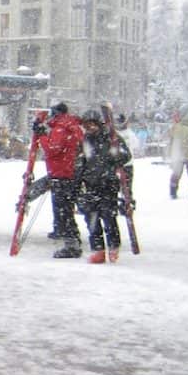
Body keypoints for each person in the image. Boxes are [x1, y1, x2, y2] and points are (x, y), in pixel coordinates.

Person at [75, 109, 132, 263]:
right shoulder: (86, 140)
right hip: (91, 184)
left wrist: (113, 159)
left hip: (108, 183)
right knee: (91, 217)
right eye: (87, 125)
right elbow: (81, 160)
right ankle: (98, 250)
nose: (90, 128)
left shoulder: (112, 137)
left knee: (108, 217)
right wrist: (79, 179)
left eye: (92, 124)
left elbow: (125, 156)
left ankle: (113, 247)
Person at [34, 102, 85, 259]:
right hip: (69, 171)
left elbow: (52, 149)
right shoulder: (72, 126)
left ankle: (71, 244)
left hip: (61, 172)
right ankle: (72, 238)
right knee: (66, 209)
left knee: (63, 210)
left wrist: (42, 135)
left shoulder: (61, 128)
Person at [166, 111, 188, 199]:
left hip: (181, 155)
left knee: (179, 174)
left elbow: (170, 142)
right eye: (174, 117)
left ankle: (173, 192)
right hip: (185, 155)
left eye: (175, 117)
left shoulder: (174, 128)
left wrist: (170, 154)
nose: (174, 119)